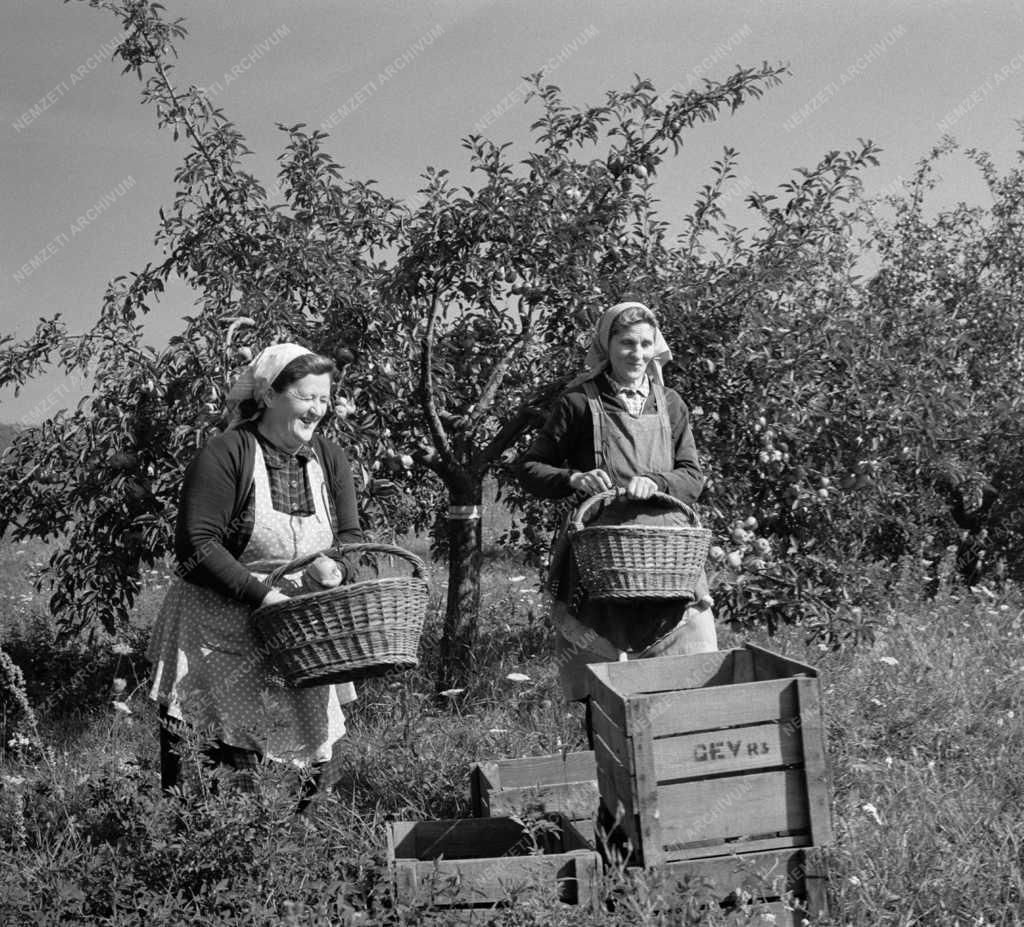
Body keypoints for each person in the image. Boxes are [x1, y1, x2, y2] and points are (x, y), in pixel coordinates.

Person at [147, 343, 362, 805]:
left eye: (325, 400)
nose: (318, 410)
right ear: (268, 396)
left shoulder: (329, 458)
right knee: (211, 766)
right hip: (218, 632)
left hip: (299, 636)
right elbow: (197, 546)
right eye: (307, 397)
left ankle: (284, 864)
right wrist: (263, 596)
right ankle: (200, 861)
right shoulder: (227, 453)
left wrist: (337, 568)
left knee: (302, 765)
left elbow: (350, 535)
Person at [519, 302, 717, 704]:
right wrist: (573, 478)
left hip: (668, 564)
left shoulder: (671, 403)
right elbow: (529, 467)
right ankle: (612, 757)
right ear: (606, 345)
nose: (638, 354)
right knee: (606, 689)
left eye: (646, 343)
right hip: (603, 564)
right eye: (627, 343)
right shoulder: (577, 403)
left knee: (685, 681)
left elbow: (693, 476)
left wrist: (658, 481)